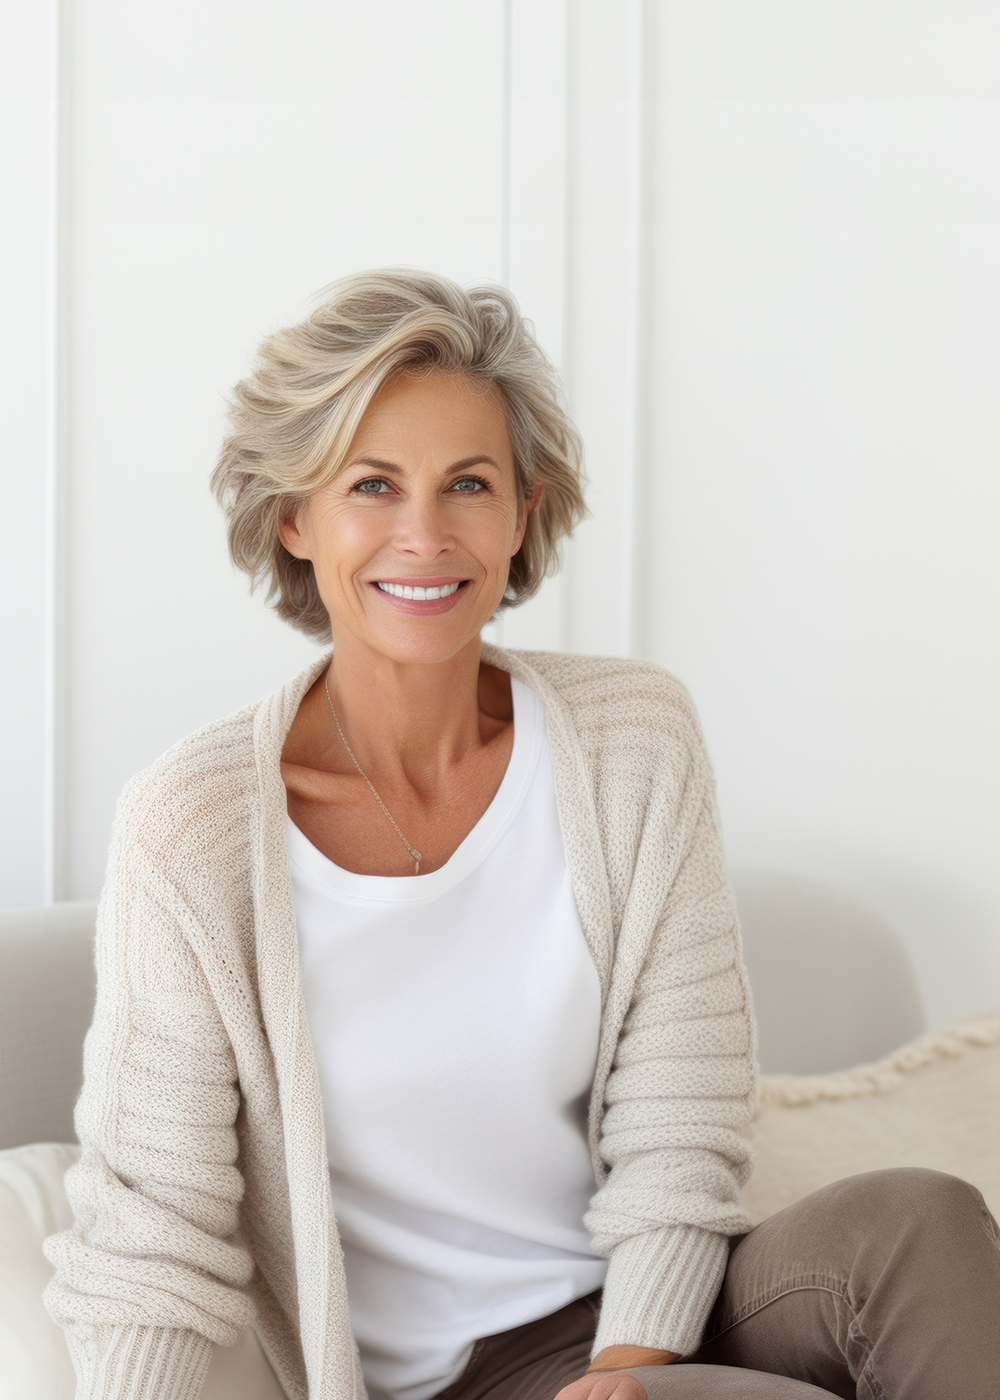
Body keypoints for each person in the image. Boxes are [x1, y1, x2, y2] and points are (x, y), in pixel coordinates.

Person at [44, 270, 1000, 1400]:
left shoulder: (634, 739)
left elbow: (681, 1105)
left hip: (657, 1309)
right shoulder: (192, 829)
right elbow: (156, 1229)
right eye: (372, 485)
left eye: (468, 484)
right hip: (459, 1378)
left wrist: (632, 1361)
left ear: (521, 513)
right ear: (294, 518)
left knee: (920, 1217)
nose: (424, 534)